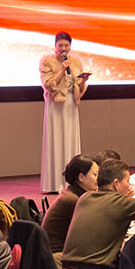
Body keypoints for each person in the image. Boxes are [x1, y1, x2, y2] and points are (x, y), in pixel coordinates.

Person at [38, 31, 90, 195]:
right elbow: (48, 84)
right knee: (56, 140)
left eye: (66, 45)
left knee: (70, 140)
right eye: (60, 45)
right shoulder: (47, 61)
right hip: (56, 106)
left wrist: (83, 82)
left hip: (71, 105)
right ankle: (55, 183)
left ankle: (72, 181)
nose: (63, 48)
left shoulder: (76, 62)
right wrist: (62, 69)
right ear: (55, 46)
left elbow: (78, 87)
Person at [41, 155, 97, 255]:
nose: (98, 179)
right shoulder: (72, 200)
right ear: (81, 177)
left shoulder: (72, 194)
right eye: (95, 175)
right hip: (57, 255)